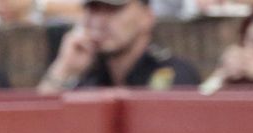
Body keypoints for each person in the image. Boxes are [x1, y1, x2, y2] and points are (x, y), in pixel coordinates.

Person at [37, 0, 200, 91]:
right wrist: (64, 70)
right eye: (93, 10)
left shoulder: (174, 73)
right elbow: (40, 128)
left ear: (147, 16)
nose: (99, 21)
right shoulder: (90, 78)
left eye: (112, 9)